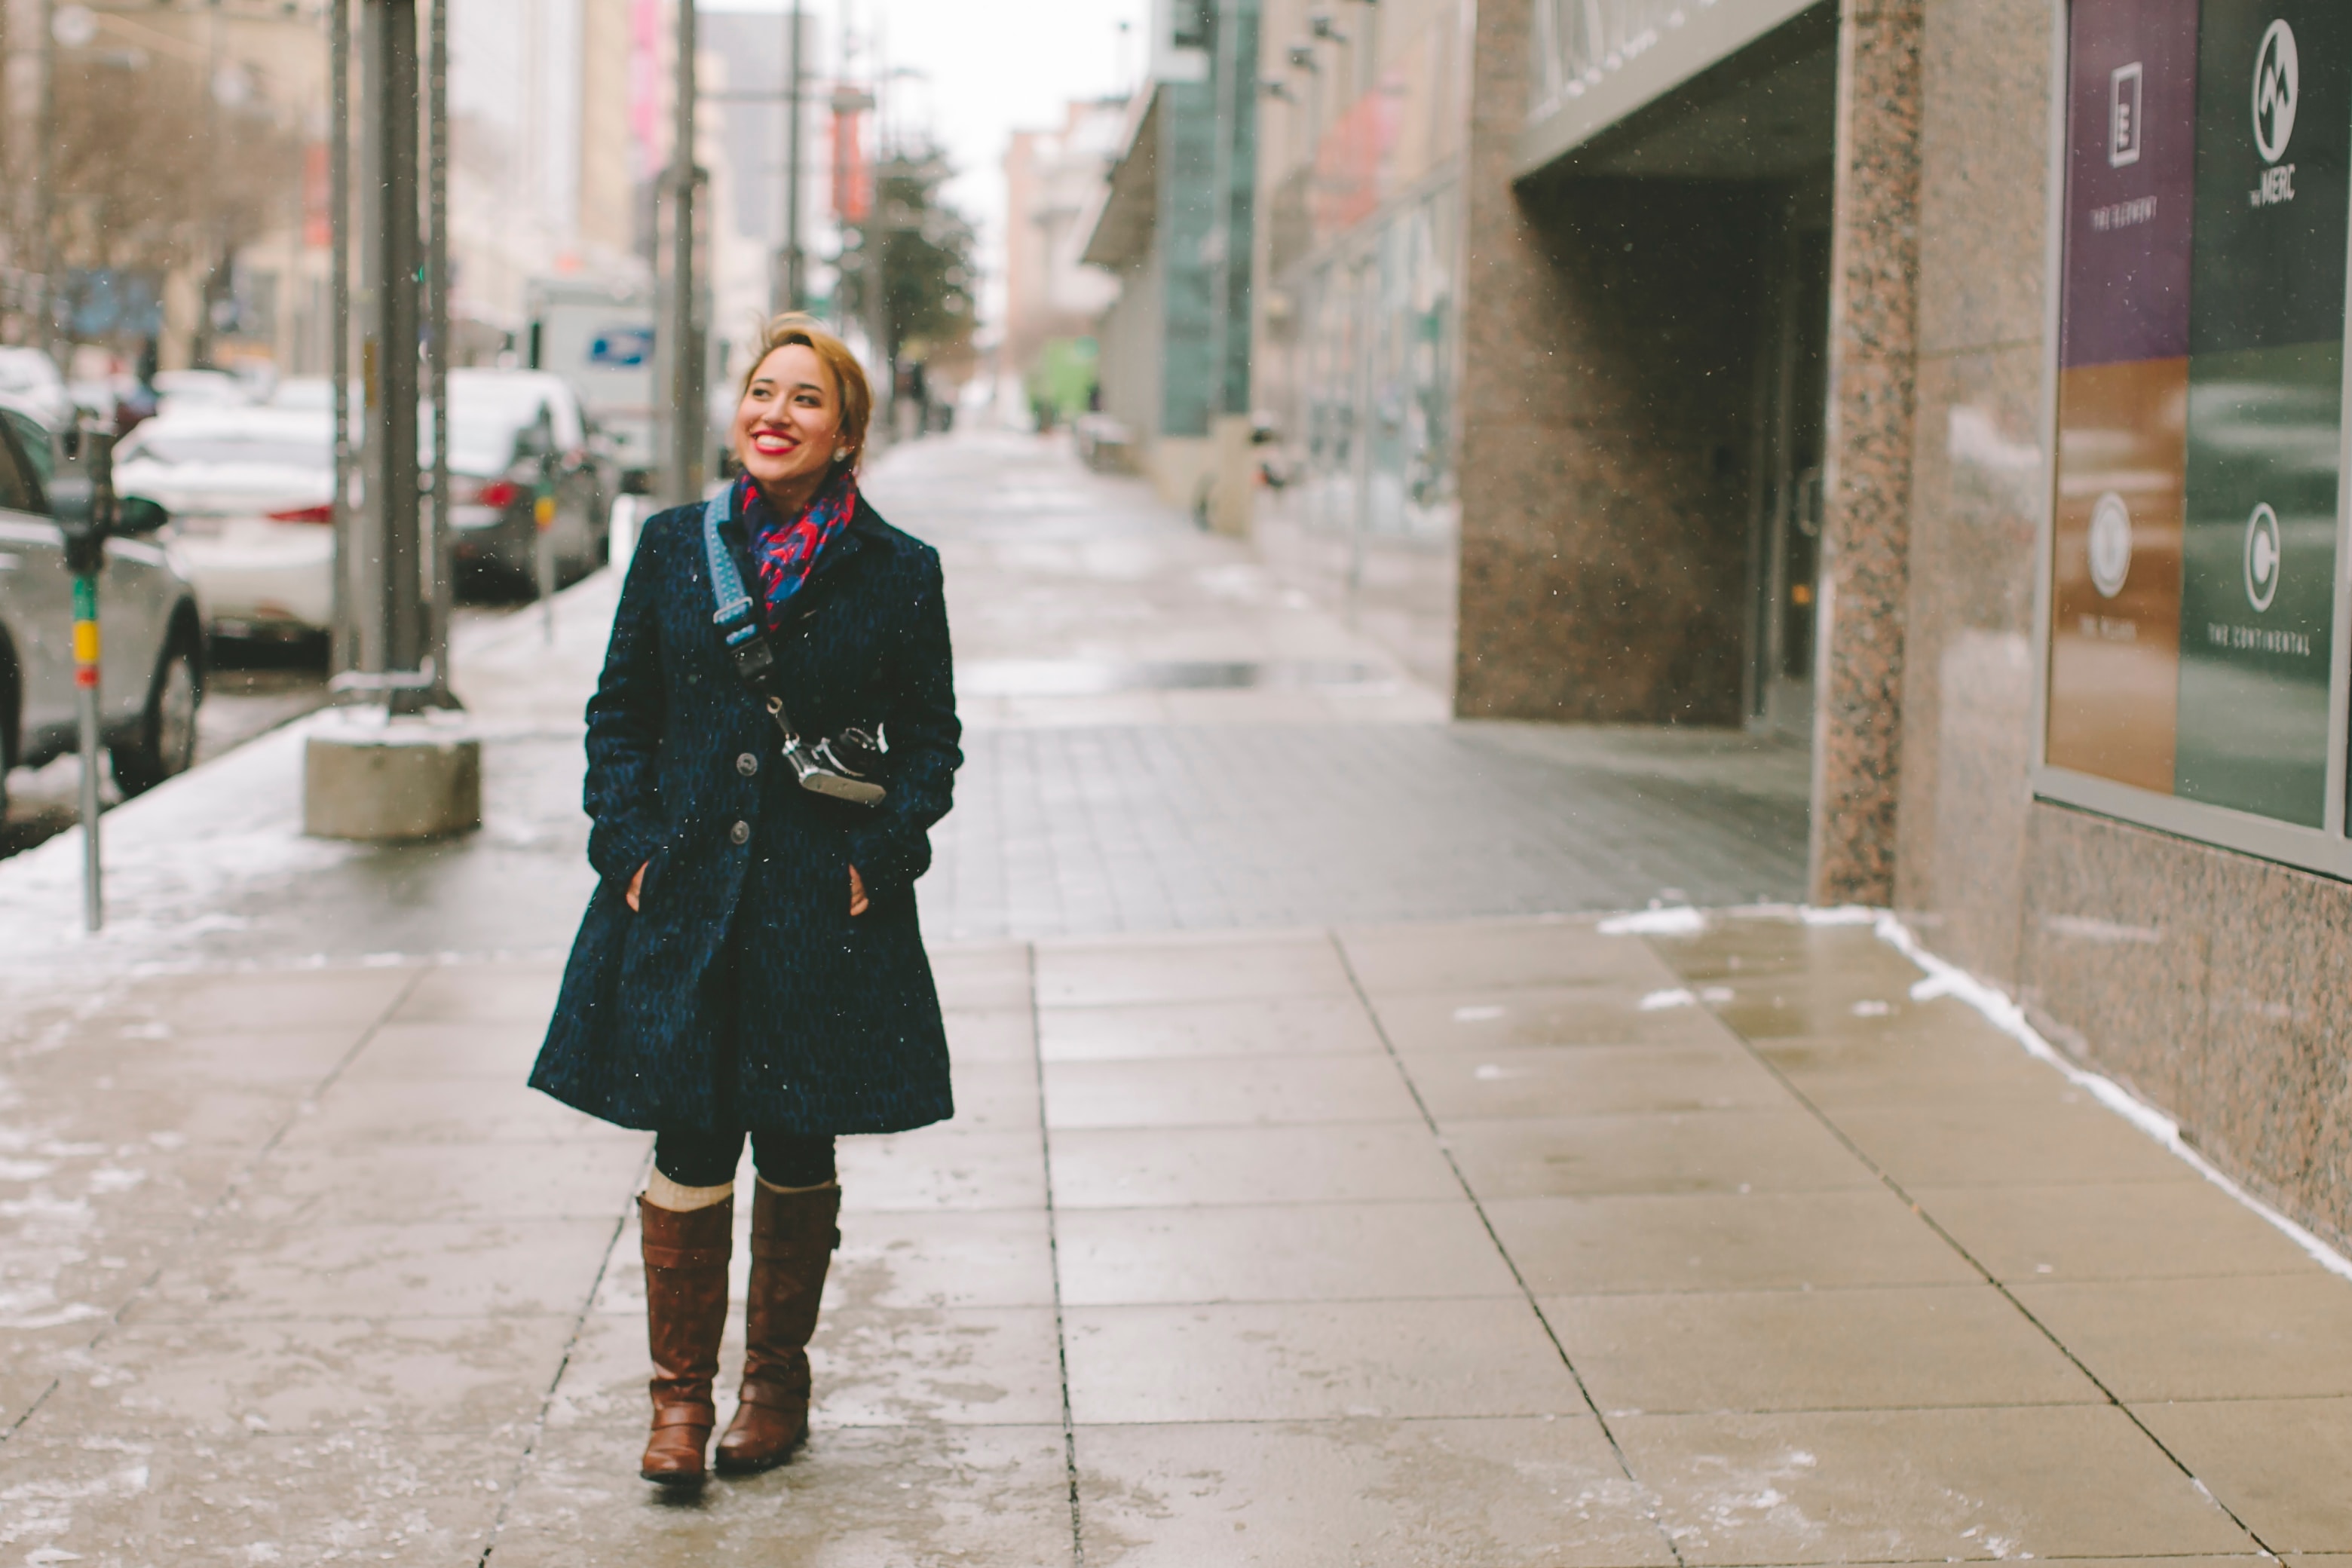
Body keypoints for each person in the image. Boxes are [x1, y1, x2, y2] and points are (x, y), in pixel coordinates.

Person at [531, 314, 962, 1487]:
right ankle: (679, 1404)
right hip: (684, 900)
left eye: (805, 400)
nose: (775, 414)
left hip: (821, 906)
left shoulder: (899, 569)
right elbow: (620, 715)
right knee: (690, 1134)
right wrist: (625, 848)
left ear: (848, 433)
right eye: (761, 393)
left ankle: (775, 1384)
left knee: (797, 1134)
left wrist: (883, 857)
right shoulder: (676, 547)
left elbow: (932, 744)